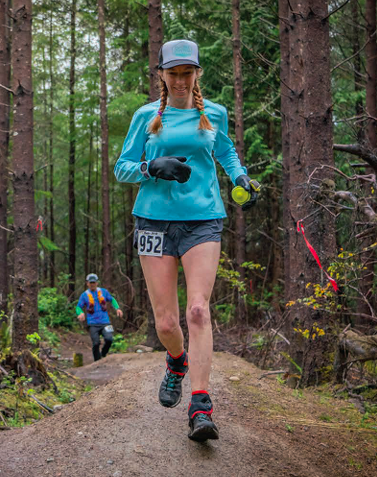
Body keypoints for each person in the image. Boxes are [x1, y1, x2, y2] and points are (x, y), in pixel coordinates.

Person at [113, 39, 259, 442]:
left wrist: (240, 176)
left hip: (203, 221)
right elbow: (121, 168)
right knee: (165, 322)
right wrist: (151, 167)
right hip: (153, 223)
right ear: (161, 74)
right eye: (173, 72)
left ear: (197, 74)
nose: (180, 80)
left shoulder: (214, 113)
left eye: (187, 72)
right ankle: (176, 362)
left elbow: (226, 153)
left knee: (197, 311)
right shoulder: (146, 116)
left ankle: (200, 405)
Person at [75, 273, 124, 362]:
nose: (92, 284)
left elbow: (112, 299)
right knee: (96, 343)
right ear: (87, 283)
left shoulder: (104, 292)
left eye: (94, 282)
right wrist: (80, 313)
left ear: (97, 283)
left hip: (105, 322)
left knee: (109, 339)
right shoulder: (84, 295)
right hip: (93, 323)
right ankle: (97, 362)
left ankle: (103, 354)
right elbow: (78, 307)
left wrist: (118, 309)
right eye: (90, 282)